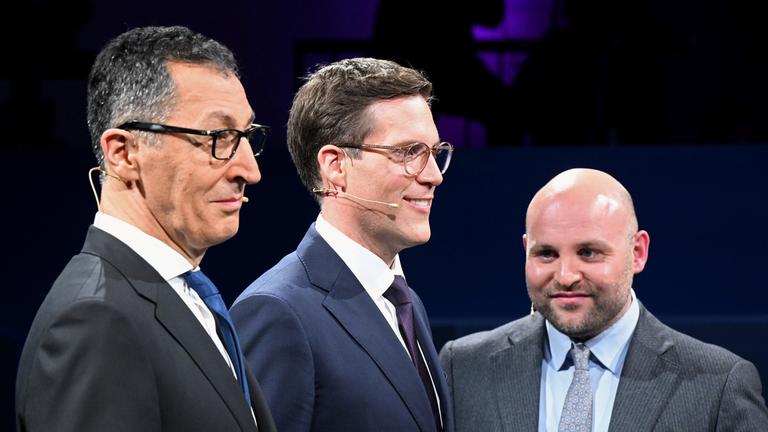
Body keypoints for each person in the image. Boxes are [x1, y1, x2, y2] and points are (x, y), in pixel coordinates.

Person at [15, 26, 276, 432]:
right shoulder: (95, 320)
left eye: (247, 137)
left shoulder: (183, 296)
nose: (250, 170)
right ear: (123, 154)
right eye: (219, 137)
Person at [439, 168, 768, 431]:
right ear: (526, 252)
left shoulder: (719, 384)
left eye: (588, 252)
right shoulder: (464, 368)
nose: (566, 275)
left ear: (637, 253)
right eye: (547, 254)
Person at [231, 57, 454, 432]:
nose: (433, 176)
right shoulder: (276, 312)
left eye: (433, 153)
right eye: (408, 153)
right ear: (335, 166)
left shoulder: (406, 302)